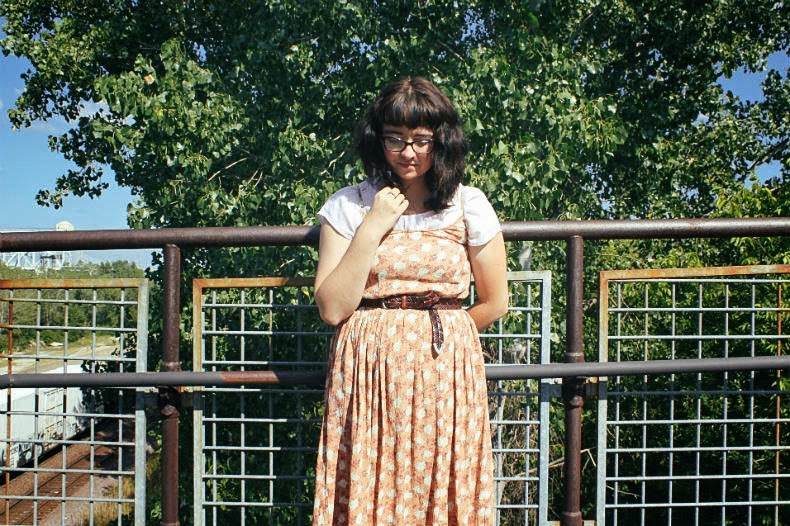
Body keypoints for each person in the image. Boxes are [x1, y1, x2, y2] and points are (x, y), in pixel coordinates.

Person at [313, 76, 508, 525]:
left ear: (442, 142)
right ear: (377, 140)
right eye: (395, 139)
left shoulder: (467, 204)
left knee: (442, 478)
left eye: (422, 140)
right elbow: (332, 308)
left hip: (446, 373)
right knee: (371, 477)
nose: (408, 153)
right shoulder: (350, 205)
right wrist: (373, 226)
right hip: (368, 375)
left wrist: (439, 338)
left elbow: (496, 301)